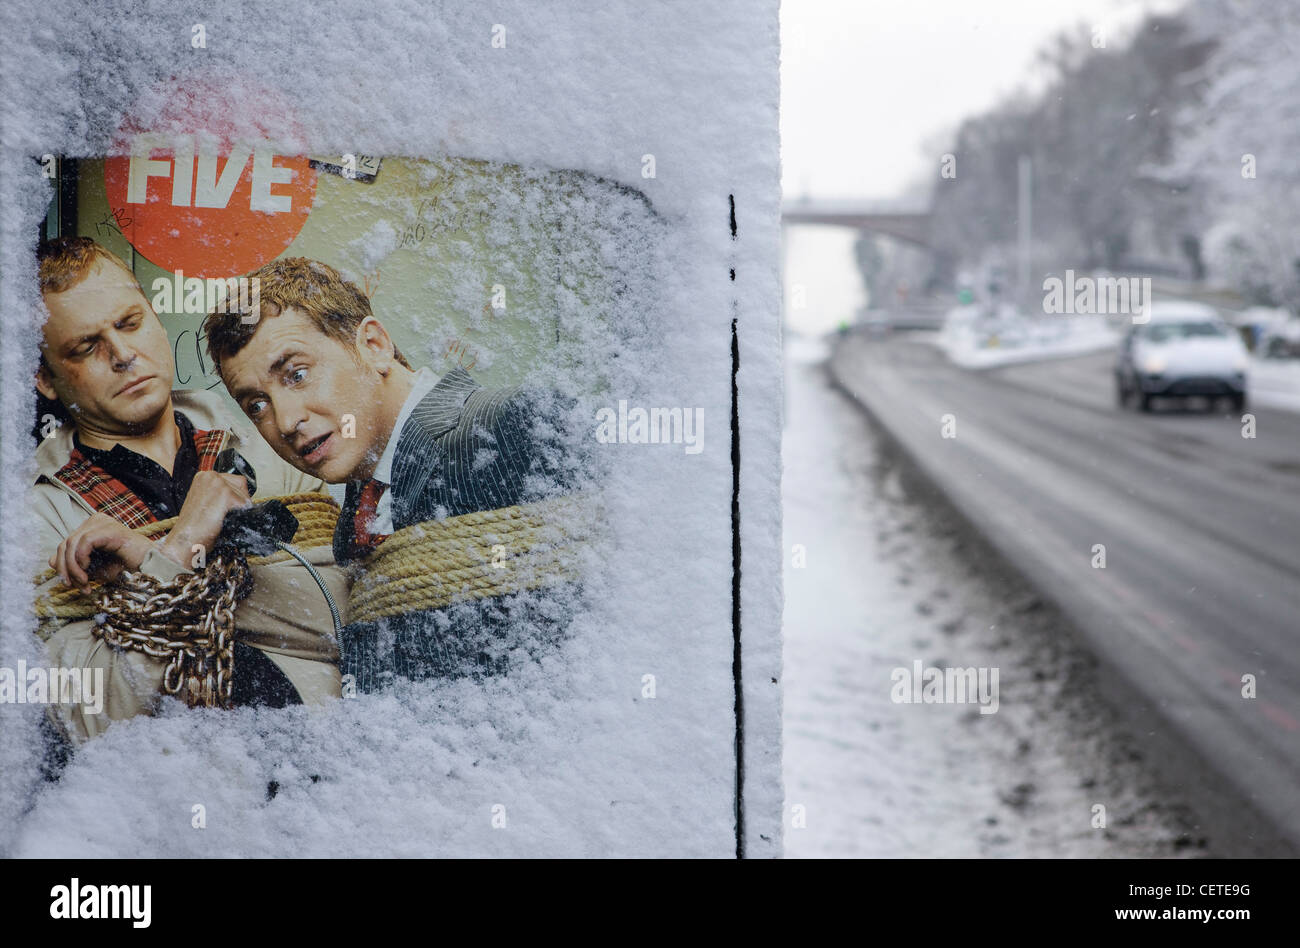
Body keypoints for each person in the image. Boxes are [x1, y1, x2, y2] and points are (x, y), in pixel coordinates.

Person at [204, 257, 580, 692]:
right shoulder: (355, 513)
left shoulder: (512, 423)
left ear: (374, 345)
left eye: (298, 374)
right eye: (256, 405)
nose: (285, 421)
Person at [32, 238, 347, 745]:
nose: (124, 355)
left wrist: (141, 588)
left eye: (131, 323)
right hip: (169, 795)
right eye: (86, 347)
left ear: (156, 319)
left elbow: (341, 619)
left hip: (323, 769)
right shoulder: (32, 515)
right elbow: (93, 713)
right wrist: (181, 548)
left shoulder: (270, 437)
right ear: (45, 378)